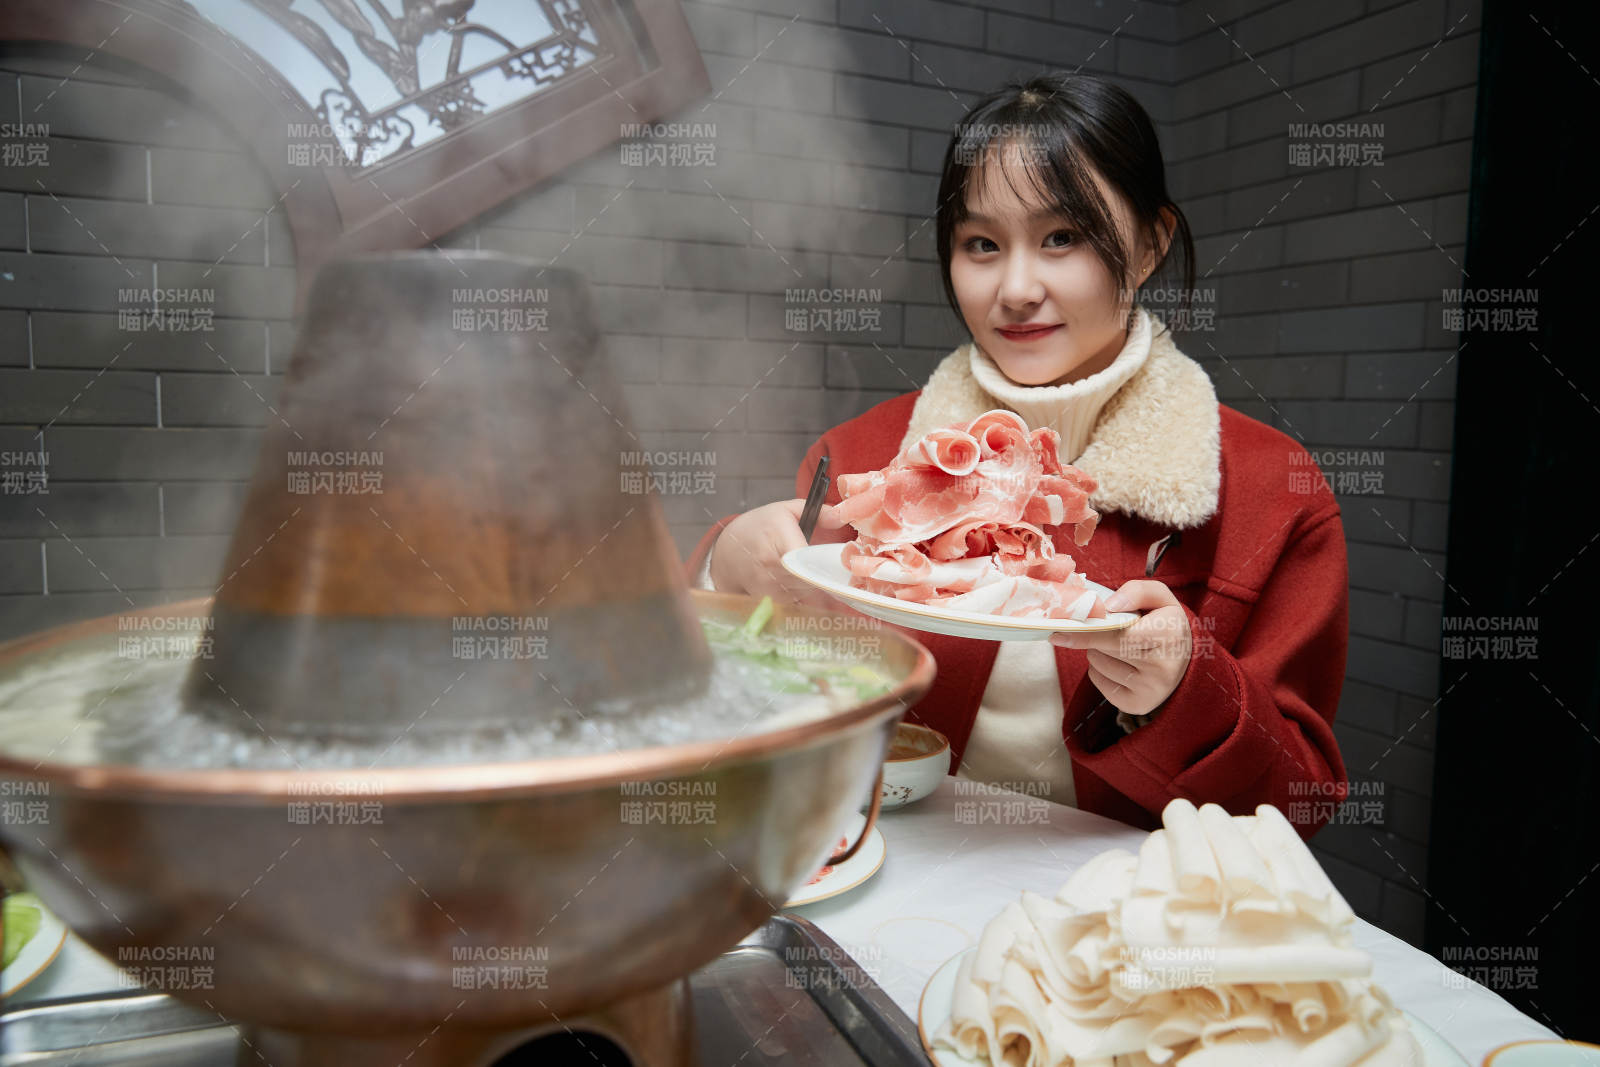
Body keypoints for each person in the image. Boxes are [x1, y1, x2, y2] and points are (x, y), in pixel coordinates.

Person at [685, 74, 1349, 840]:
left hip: (1123, 934)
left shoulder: (1273, 491)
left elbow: (1302, 801)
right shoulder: (859, 464)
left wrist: (1184, 688)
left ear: (1150, 243)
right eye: (982, 245)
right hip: (897, 886)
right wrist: (719, 577)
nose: (1016, 288)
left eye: (1062, 237)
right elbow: (744, 718)